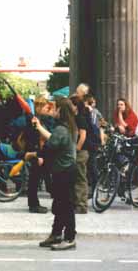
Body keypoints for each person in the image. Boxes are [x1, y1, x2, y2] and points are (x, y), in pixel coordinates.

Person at [30, 98, 77, 251]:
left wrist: (35, 155)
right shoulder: (66, 127)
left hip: (64, 171)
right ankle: (56, 234)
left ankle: (69, 238)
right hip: (65, 170)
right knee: (60, 204)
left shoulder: (62, 129)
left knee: (66, 206)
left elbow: (49, 146)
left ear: (60, 111)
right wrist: (39, 127)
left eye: (54, 108)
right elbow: (53, 139)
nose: (52, 110)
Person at [70, 95, 89, 213]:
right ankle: (77, 203)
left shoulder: (80, 118)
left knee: (80, 178)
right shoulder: (75, 117)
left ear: (75, 106)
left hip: (81, 152)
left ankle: (82, 205)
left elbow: (83, 135)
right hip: (78, 151)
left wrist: (76, 149)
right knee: (77, 177)